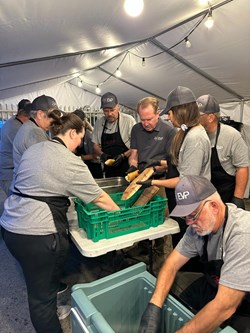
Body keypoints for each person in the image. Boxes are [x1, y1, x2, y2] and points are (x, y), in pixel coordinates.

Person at [0, 113, 120, 333]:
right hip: (37, 235)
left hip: (10, 227)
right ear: (72, 132)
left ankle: (49, 300)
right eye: (80, 139)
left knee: (39, 282)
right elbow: (100, 198)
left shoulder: (35, 149)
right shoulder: (70, 161)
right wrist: (121, 213)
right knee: (40, 300)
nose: (79, 146)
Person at [139, 175, 250, 333]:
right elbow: (171, 265)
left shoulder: (243, 233)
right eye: (185, 217)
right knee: (174, 290)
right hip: (216, 286)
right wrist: (154, 308)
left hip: (244, 303)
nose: (188, 223)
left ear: (214, 206)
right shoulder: (196, 229)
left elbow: (225, 306)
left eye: (193, 215)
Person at [137, 86, 211, 247]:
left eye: (170, 113)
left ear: (180, 111)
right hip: (182, 199)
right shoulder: (186, 132)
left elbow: (185, 180)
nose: (169, 118)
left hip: (193, 202)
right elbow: (182, 164)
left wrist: (153, 183)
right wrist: (158, 163)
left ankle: (192, 272)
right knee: (181, 239)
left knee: (192, 243)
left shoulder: (195, 138)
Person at [197, 94, 249, 209]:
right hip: (206, 195)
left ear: (210, 117)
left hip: (227, 195)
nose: (195, 118)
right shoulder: (197, 135)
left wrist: (238, 198)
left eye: (198, 115)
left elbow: (242, 167)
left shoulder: (231, 135)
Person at [128, 96, 176, 211]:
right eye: (142, 119)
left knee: (160, 217)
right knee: (137, 214)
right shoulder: (136, 129)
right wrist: (133, 166)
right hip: (140, 180)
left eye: (149, 119)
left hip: (160, 182)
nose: (145, 123)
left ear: (158, 114)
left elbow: (170, 164)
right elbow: (134, 154)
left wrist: (153, 168)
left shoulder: (169, 130)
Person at [11, 95, 60, 189]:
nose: (54, 121)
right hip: (27, 190)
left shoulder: (29, 126)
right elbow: (48, 164)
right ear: (40, 115)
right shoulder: (35, 132)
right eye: (52, 116)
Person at [92, 92, 136, 177]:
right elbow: (95, 145)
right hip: (108, 169)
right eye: (106, 111)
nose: (109, 114)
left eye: (112, 110)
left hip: (127, 167)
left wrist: (123, 156)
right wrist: (102, 155)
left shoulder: (128, 121)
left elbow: (136, 146)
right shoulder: (99, 122)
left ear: (118, 106)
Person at [0, 99, 31, 196]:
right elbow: (25, 150)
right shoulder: (14, 127)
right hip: (9, 174)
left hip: (11, 172)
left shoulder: (15, 122)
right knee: (17, 203)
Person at [73, 109, 103, 179]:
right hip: (81, 168)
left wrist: (81, 158)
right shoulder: (74, 134)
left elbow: (96, 155)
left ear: (83, 122)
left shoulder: (89, 136)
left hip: (93, 168)